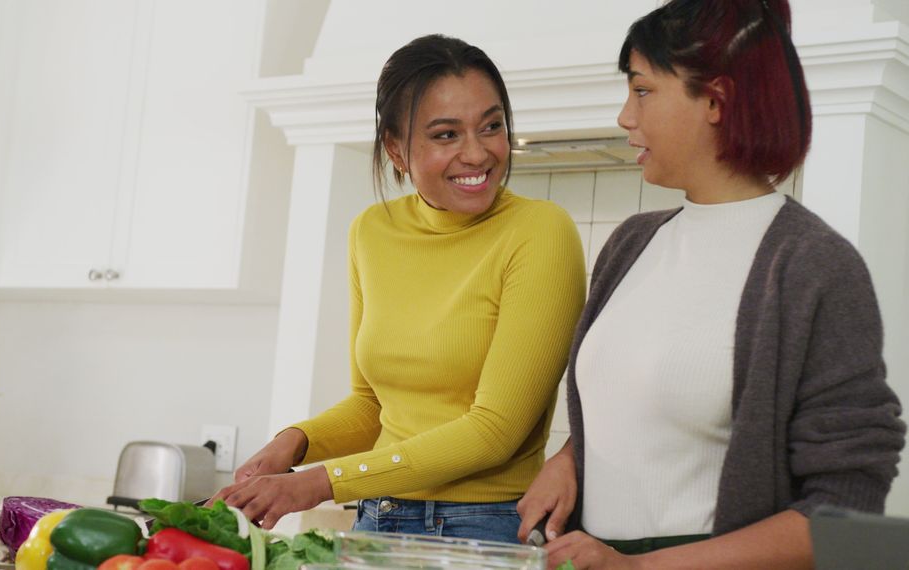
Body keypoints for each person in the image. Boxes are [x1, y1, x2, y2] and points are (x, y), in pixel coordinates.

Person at [516, 0, 907, 567]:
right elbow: (642, 411)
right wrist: (571, 459)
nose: (626, 116)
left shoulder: (813, 266)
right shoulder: (631, 243)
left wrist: (641, 567)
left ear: (716, 101)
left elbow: (846, 507)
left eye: (642, 90)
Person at [211, 34, 587, 543]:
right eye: (446, 134)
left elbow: (496, 431)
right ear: (395, 147)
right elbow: (372, 405)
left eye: (491, 126)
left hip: (484, 530)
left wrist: (318, 484)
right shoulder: (372, 231)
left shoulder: (541, 232)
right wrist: (295, 442)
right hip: (375, 519)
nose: (477, 153)